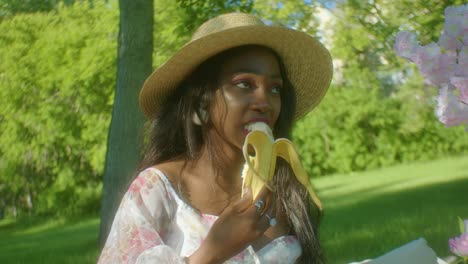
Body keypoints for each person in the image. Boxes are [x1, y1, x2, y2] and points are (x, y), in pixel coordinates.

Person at [98, 12, 332, 264]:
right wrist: (212, 252)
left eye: (275, 88)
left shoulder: (284, 187)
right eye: (244, 84)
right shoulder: (156, 190)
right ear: (200, 106)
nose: (265, 102)